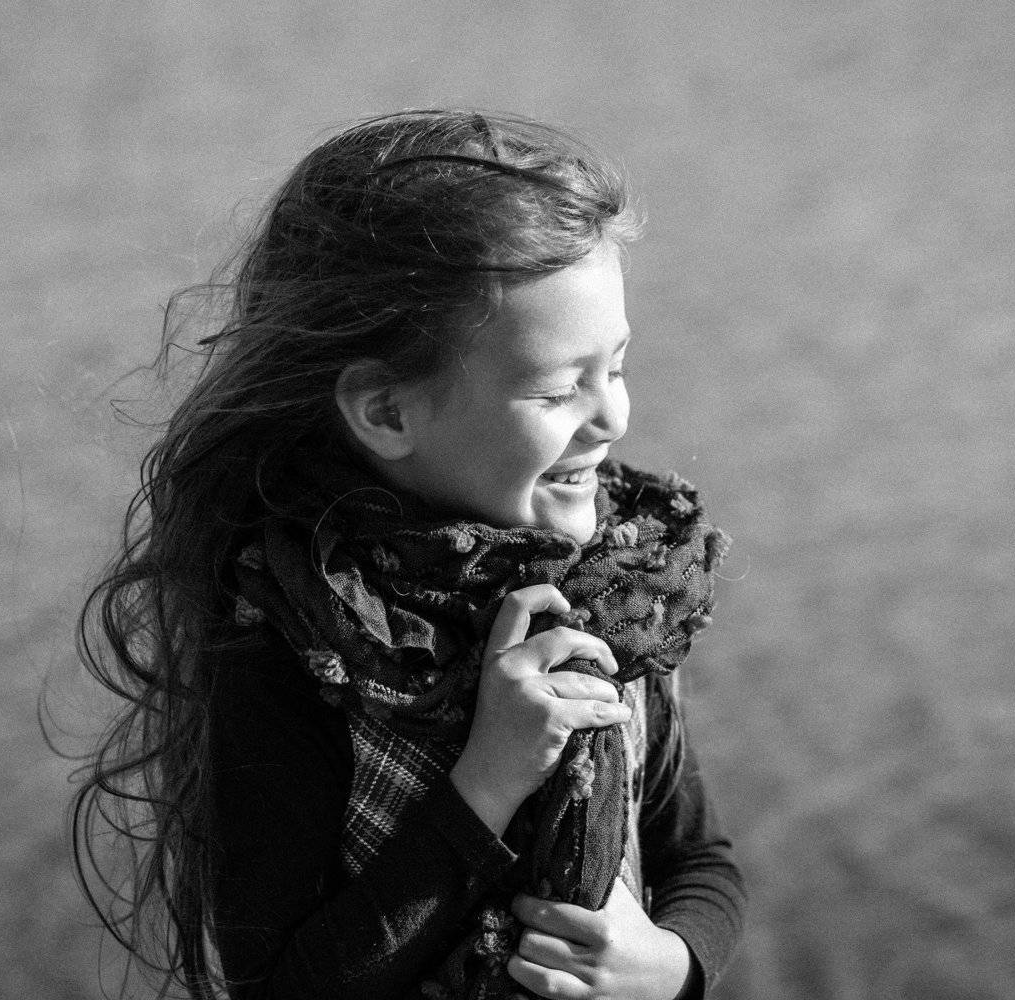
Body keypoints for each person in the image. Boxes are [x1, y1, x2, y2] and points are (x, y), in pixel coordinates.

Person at [72, 109, 744, 1000]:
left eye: (614, 368)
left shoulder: (625, 589)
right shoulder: (293, 634)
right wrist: (487, 782)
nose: (612, 417)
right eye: (559, 389)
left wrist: (673, 967)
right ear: (387, 412)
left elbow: (698, 858)